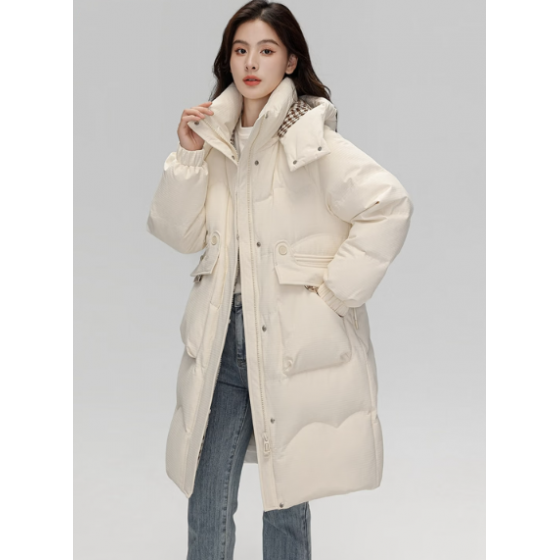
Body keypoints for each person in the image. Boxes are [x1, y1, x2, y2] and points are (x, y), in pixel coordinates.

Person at [146, 1, 414, 559]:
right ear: (227, 59)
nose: (251, 63)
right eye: (240, 50)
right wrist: (188, 157)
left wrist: (334, 294)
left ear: (290, 61)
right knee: (207, 494)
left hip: (291, 338)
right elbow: (179, 233)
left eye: (266, 50)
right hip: (222, 339)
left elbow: (388, 205)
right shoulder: (213, 138)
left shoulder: (310, 139)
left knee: (285, 497)